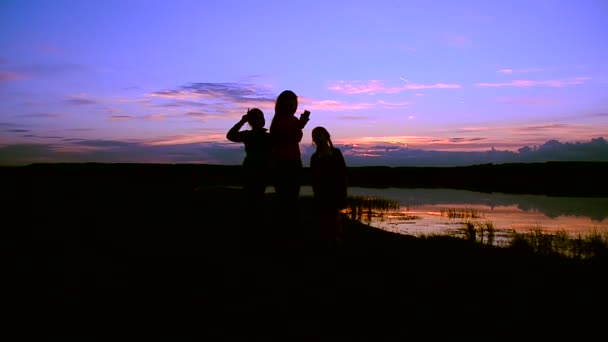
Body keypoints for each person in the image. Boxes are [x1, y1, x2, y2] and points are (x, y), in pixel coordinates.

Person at [269, 90, 310, 205]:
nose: (290, 107)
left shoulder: (294, 120)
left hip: (295, 161)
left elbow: (297, 138)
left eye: (292, 105)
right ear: (281, 105)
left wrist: (299, 125)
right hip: (281, 162)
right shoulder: (278, 121)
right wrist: (299, 126)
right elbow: (287, 136)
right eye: (286, 104)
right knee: (284, 196)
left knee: (293, 195)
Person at [310, 126, 348, 248]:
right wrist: (316, 193)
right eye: (316, 136)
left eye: (321, 135)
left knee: (336, 217)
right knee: (325, 218)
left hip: (335, 189)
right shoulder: (314, 157)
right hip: (322, 191)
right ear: (314, 140)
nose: (319, 138)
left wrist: (344, 190)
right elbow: (314, 178)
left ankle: (337, 240)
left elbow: (343, 172)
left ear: (326, 136)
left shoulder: (336, 153)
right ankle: (327, 242)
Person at [226, 108, 272, 202]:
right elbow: (230, 135)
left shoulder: (266, 136)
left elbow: (230, 135)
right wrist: (242, 121)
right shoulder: (249, 135)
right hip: (252, 170)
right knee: (251, 195)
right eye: (256, 118)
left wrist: (243, 121)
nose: (259, 120)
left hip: (260, 170)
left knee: (256, 195)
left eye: (260, 118)